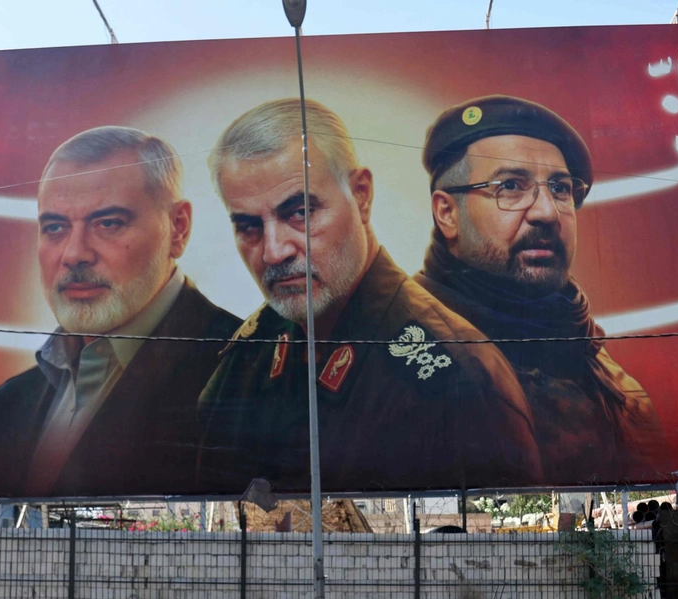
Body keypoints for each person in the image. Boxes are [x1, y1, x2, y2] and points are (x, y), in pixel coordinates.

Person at [196, 99, 541, 493]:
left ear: (361, 196)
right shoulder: (245, 358)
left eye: (300, 212)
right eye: (249, 226)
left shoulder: (460, 380)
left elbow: (495, 544)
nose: (275, 251)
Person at [0, 127, 241, 497]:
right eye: (55, 227)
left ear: (178, 229)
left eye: (108, 223)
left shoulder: (246, 373)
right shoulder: (7, 407)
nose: (74, 253)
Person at [414, 96, 662, 483]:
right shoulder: (403, 352)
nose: (547, 212)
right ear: (448, 213)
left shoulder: (608, 377)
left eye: (561, 188)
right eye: (511, 186)